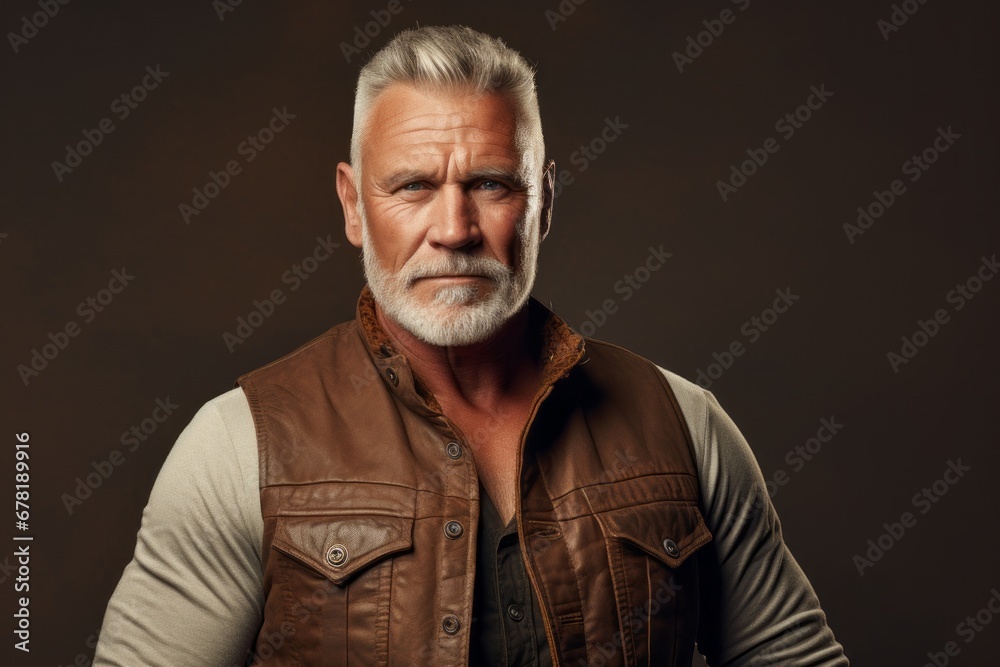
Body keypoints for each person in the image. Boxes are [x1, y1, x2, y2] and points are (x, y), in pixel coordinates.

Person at [94, 25, 849, 666]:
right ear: (355, 206)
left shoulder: (684, 423)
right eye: (413, 186)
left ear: (544, 200)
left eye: (491, 184)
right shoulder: (237, 446)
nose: (453, 230)